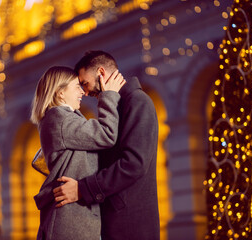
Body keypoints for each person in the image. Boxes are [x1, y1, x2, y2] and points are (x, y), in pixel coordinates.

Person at [53, 51, 160, 240]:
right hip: (116, 218)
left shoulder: (137, 101)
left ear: (101, 73)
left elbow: (134, 164)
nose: (85, 92)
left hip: (130, 225)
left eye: (85, 84)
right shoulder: (115, 106)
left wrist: (82, 189)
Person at [30, 66, 126, 240]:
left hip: (72, 216)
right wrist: (109, 95)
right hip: (70, 219)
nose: (82, 92)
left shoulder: (59, 118)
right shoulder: (60, 118)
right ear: (60, 93)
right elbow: (106, 134)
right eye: (76, 87)